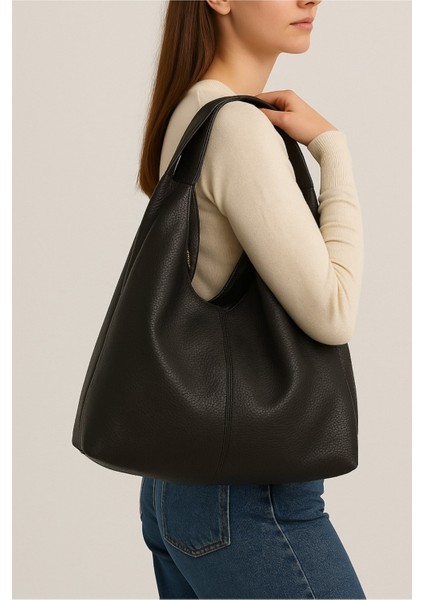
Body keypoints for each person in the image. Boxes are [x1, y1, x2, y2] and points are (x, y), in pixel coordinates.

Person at [136, 1, 366, 598]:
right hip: (246, 495)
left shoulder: (192, 109)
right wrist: (333, 149)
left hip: (181, 484)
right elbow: (333, 310)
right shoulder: (235, 127)